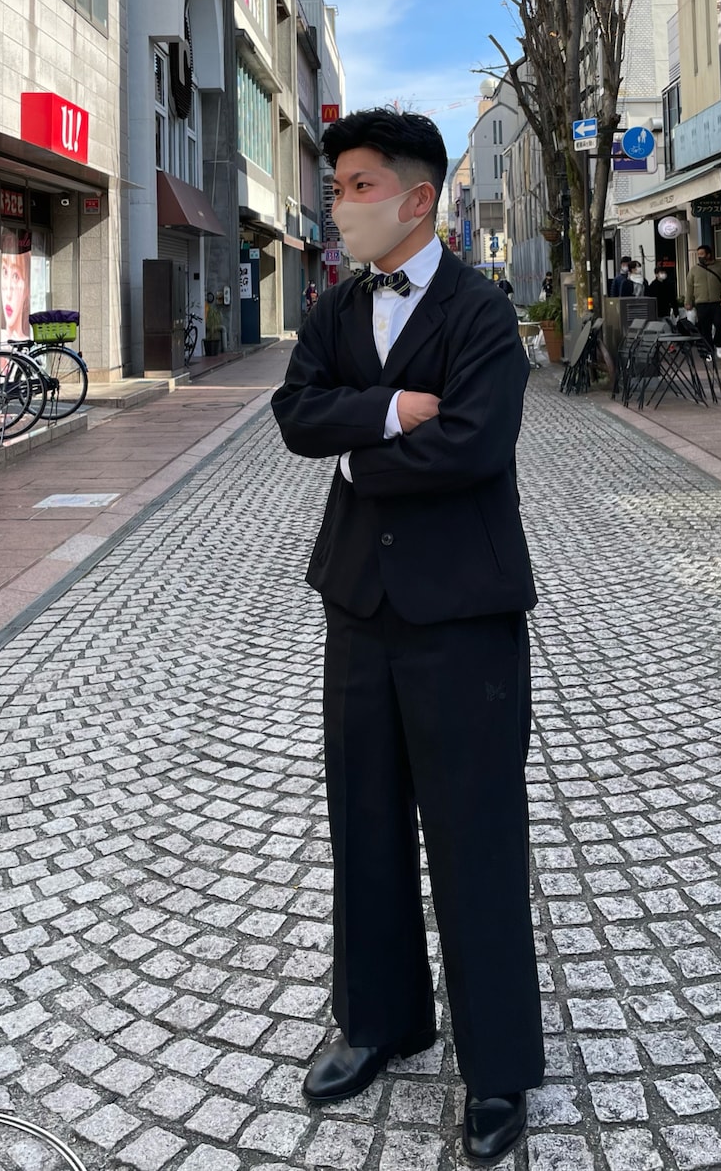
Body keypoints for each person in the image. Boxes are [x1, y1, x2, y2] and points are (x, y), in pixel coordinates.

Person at [272, 108, 543, 1166]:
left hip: (463, 611)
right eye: (336, 187)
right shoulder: (337, 307)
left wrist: (353, 441)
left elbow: (474, 444)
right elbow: (297, 415)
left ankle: (499, 1066)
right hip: (357, 603)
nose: (339, 206)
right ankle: (382, 1021)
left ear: (417, 198)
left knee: (475, 834)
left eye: (358, 187)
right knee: (365, 822)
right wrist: (386, 417)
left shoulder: (482, 312)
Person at [684, 243, 721, 358]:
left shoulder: (719, 268)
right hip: (701, 303)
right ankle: (709, 351)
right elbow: (689, 287)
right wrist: (688, 301)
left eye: (702, 254)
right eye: (698, 254)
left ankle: (718, 344)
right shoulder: (694, 270)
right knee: (705, 329)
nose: (700, 256)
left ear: (708, 255)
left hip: (716, 302)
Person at [0, 230, 31, 342]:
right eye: (5, 271)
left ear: (27, 288)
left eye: (16, 276)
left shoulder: (29, 342)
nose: (8, 294)